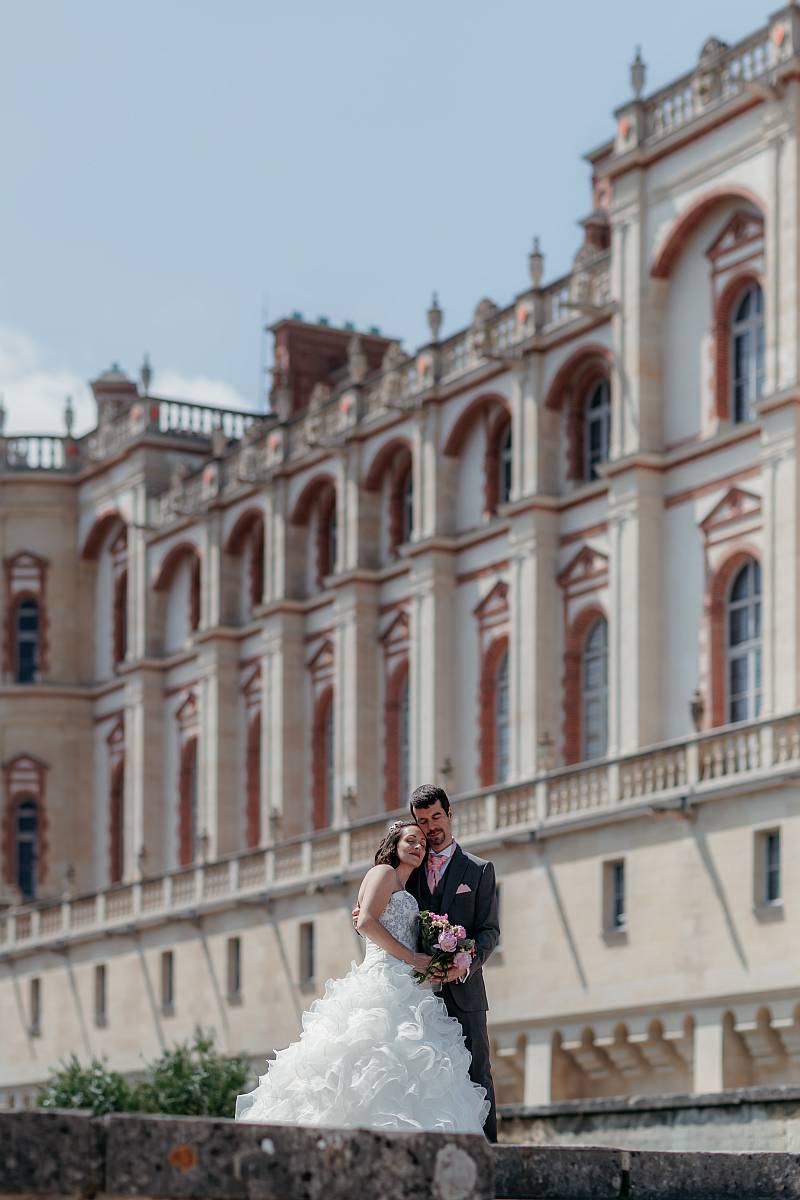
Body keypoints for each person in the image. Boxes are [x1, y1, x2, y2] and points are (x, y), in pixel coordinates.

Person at [235, 818, 489, 1134]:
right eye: (411, 840)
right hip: (382, 978)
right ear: (393, 844)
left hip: (406, 982)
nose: (418, 847)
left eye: (422, 844)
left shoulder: (404, 887)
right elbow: (366, 922)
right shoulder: (382, 873)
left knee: (402, 1068)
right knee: (369, 1058)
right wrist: (412, 957)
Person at [405, 784, 500, 1142]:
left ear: (449, 814)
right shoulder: (408, 870)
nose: (431, 827)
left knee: (477, 1074)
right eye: (423, 821)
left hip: (466, 994)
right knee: (423, 1077)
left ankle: (490, 1155)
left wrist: (466, 963)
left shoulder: (478, 870)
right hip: (416, 997)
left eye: (436, 817)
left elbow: (489, 930)